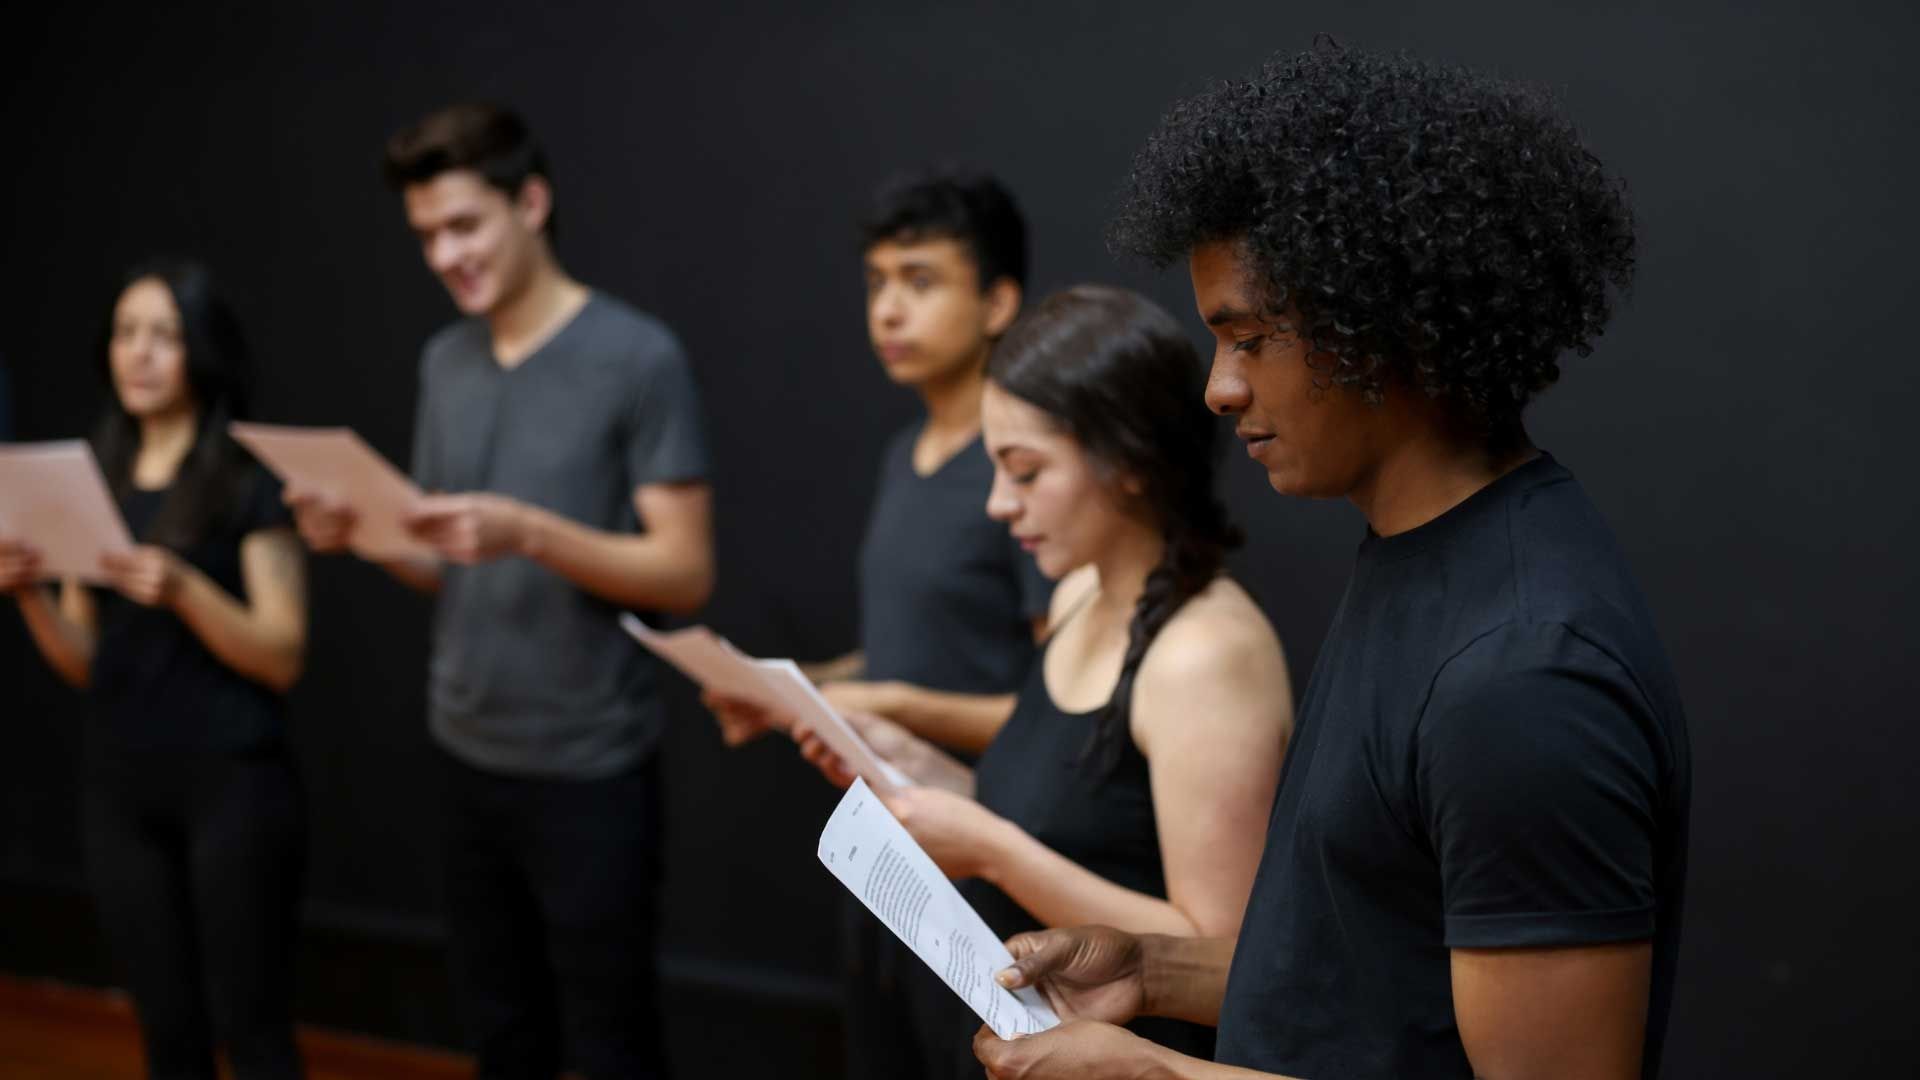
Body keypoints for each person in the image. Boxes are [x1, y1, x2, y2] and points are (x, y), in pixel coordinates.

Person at [971, 42, 1690, 1080]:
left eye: (1251, 338)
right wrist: (1154, 973)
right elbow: (1376, 989)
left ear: (1382, 329)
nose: (1219, 388)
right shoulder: (1416, 558)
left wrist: (1161, 1074)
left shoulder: (1523, 676)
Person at [286, 103, 713, 1079]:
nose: (445, 254)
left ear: (531, 201)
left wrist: (531, 532)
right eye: (427, 235)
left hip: (590, 767)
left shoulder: (636, 356)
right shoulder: (447, 360)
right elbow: (446, 564)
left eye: (464, 225)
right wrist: (360, 534)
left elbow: (685, 571)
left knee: (609, 1043)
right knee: (499, 1033)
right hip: (465, 754)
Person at [795, 285, 1293, 1067]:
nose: (998, 504)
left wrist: (989, 848)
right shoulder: (1078, 592)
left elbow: (1226, 955)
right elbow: (1057, 816)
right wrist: (906, 764)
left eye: (1025, 472)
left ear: (1126, 462)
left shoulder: (1205, 654)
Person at [707, 169, 1054, 1079]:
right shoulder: (907, 453)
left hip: (987, 861)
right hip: (883, 843)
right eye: (876, 283)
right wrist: (802, 691)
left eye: (921, 280)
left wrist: (887, 699)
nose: (889, 309)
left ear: (998, 302)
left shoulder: (1024, 469)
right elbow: (908, 646)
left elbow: (1063, 715)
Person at [0, 261, 310, 1079]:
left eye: (164, 336)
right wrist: (28, 595)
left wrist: (186, 592)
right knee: (167, 1032)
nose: (139, 355)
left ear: (202, 352)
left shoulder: (246, 481)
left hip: (232, 784)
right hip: (121, 786)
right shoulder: (89, 473)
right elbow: (86, 662)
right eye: (126, 333)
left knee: (253, 1029)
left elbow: (281, 656)